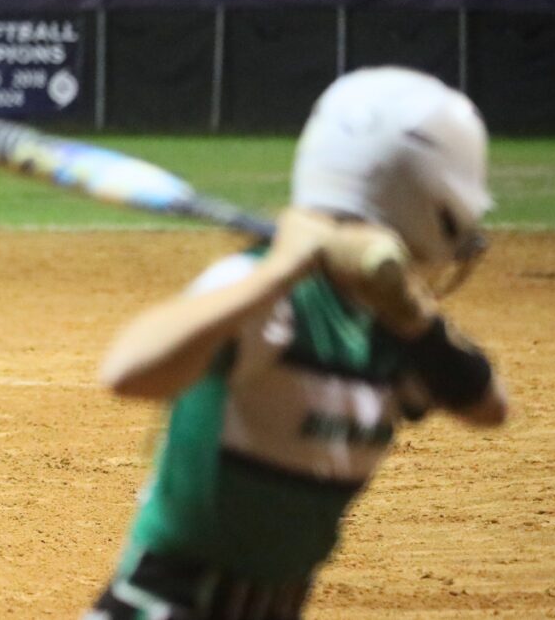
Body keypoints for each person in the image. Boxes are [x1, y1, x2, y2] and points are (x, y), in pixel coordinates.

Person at [84, 66, 508, 619]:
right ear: (428, 203)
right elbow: (126, 369)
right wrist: (277, 271)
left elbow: (489, 407)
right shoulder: (269, 296)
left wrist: (413, 312)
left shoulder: (392, 324)